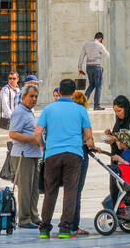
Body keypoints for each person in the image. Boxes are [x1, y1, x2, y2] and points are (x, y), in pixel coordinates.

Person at [34, 77, 95, 239]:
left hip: (52, 154)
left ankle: (45, 228)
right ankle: (65, 228)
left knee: (50, 191)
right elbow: (88, 135)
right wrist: (80, 142)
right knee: (71, 191)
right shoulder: (80, 110)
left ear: (59, 92)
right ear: (74, 93)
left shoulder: (48, 109)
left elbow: (37, 133)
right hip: (74, 154)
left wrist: (44, 146)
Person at [101, 94, 130, 211]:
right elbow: (118, 137)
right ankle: (117, 210)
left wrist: (117, 140)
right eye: (115, 111)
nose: (118, 114)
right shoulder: (118, 122)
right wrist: (111, 136)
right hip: (118, 160)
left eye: (120, 110)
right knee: (116, 185)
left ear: (126, 109)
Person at [8, 82, 43, 231]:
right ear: (24, 96)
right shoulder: (19, 112)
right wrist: (31, 139)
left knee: (34, 188)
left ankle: (34, 216)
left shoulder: (29, 111)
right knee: (25, 189)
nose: (34, 99)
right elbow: (13, 134)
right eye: (31, 96)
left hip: (34, 154)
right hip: (23, 155)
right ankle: (24, 218)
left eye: (36, 96)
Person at [67, 90, 93, 236]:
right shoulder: (82, 112)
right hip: (79, 153)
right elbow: (87, 136)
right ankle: (73, 225)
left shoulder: (63, 112)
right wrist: (92, 146)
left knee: (66, 190)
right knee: (77, 191)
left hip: (62, 152)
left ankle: (65, 224)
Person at [78, 32, 110, 111]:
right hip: (97, 67)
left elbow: (81, 57)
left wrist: (80, 68)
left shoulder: (86, 44)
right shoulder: (99, 44)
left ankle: (82, 102)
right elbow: (107, 55)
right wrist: (100, 54)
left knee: (92, 84)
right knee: (98, 86)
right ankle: (96, 105)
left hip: (89, 67)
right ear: (101, 39)